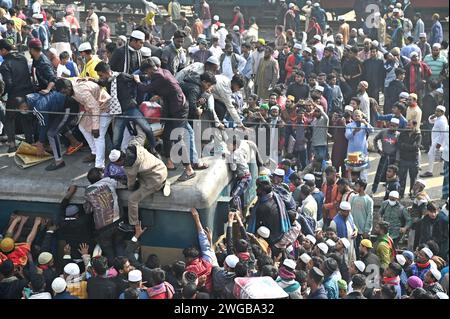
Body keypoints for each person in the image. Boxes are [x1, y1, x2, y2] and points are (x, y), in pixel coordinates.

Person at [134, 58, 207, 181]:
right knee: (167, 133)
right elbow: (155, 83)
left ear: (150, 69)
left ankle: (189, 170)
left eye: (147, 72)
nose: (147, 74)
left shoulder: (159, 76)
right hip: (172, 107)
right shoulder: (163, 71)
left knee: (178, 137)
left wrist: (137, 81)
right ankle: (169, 162)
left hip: (179, 109)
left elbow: (145, 89)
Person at [111, 144, 168, 233]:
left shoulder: (130, 169)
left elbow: (131, 185)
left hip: (155, 180)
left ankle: (133, 224)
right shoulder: (137, 148)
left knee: (132, 199)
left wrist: (129, 185)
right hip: (162, 169)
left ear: (119, 161)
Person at [0, 39, 35, 152]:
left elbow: (8, 83)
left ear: (4, 50)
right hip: (27, 94)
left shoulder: (5, 64)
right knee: (26, 118)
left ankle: (12, 145)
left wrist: (3, 94)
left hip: (15, 95)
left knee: (9, 119)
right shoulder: (23, 58)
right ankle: (30, 142)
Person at [371, 118, 400, 194]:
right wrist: (377, 150)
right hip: (384, 156)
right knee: (379, 173)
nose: (392, 127)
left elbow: (398, 149)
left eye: (394, 126)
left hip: (393, 158)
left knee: (392, 174)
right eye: (391, 125)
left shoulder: (398, 135)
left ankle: (389, 190)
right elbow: (375, 139)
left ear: (397, 126)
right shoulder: (383, 132)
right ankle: (374, 189)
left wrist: (397, 160)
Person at [345, 110, 374, 181]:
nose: (357, 117)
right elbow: (347, 136)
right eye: (355, 115)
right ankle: (351, 184)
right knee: (350, 169)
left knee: (363, 169)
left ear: (361, 116)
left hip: (362, 152)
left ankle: (363, 185)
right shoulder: (349, 125)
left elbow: (372, 131)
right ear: (353, 117)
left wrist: (365, 123)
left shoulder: (364, 125)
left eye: (359, 116)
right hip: (352, 152)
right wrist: (354, 131)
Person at [420, 106, 448, 178]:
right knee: (442, 155)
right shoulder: (439, 118)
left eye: (438, 111)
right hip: (435, 139)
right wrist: (432, 116)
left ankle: (430, 171)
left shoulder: (442, 121)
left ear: (442, 112)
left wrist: (439, 144)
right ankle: (443, 170)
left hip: (438, 140)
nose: (436, 112)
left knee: (431, 154)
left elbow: (443, 133)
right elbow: (431, 121)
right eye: (436, 110)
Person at [350, 179, 373, 258]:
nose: (355, 187)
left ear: (362, 187)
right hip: (353, 229)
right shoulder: (353, 198)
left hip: (362, 231)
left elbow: (370, 215)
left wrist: (366, 230)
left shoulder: (368, 200)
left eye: (357, 186)